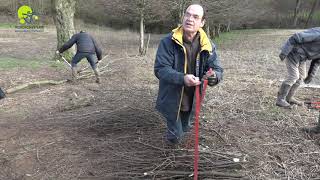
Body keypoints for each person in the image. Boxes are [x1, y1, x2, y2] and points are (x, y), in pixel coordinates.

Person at [154, 4, 223, 144]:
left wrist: (213, 76)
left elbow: (217, 69)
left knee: (185, 128)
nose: (190, 19)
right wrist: (182, 78)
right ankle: (171, 155)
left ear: (202, 23)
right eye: (187, 14)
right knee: (176, 135)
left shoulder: (208, 45)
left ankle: (175, 146)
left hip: (193, 99)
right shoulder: (168, 42)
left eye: (195, 17)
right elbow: (160, 69)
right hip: (171, 98)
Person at [276, 27, 320, 108]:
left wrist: (311, 75)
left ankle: (289, 98)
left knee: (301, 77)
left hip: (302, 58)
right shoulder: (318, 34)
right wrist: (284, 51)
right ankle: (280, 99)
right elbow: (295, 37)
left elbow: (316, 62)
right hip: (293, 52)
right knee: (293, 76)